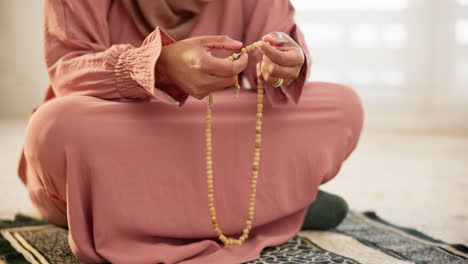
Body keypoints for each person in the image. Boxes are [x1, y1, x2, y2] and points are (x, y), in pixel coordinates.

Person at [17, 0, 364, 263]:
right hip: (124, 127)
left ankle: (146, 214)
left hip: (214, 124)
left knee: (341, 106)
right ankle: (276, 205)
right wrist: (159, 65)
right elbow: (68, 69)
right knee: (56, 126)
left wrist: (284, 61)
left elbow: (276, 50)